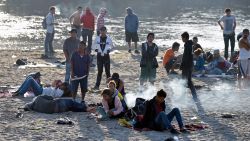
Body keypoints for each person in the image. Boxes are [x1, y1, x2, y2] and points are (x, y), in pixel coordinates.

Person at [24, 95, 95, 114]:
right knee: (71, 102)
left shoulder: (36, 109)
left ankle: (85, 110)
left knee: (70, 108)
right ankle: (85, 107)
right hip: (56, 104)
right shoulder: (38, 98)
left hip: (56, 111)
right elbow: (51, 97)